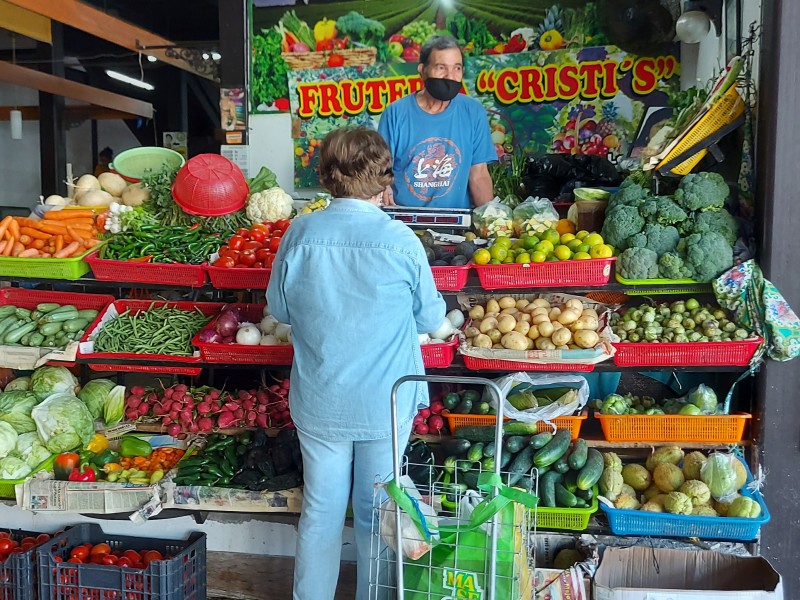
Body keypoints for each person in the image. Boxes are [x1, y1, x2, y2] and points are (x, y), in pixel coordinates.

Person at [266, 126, 446, 600]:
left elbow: (280, 311)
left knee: (322, 510)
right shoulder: (401, 241)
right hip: (384, 404)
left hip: (321, 399)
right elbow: (431, 316)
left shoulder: (301, 233)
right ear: (385, 177)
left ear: (327, 176)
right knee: (378, 511)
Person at [378, 35, 496, 209]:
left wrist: (490, 220)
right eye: (441, 67)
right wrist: (382, 187)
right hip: (404, 223)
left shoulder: (473, 111)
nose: (450, 76)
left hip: (455, 224)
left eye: (457, 68)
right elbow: (380, 170)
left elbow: (478, 175)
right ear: (422, 70)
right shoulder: (395, 113)